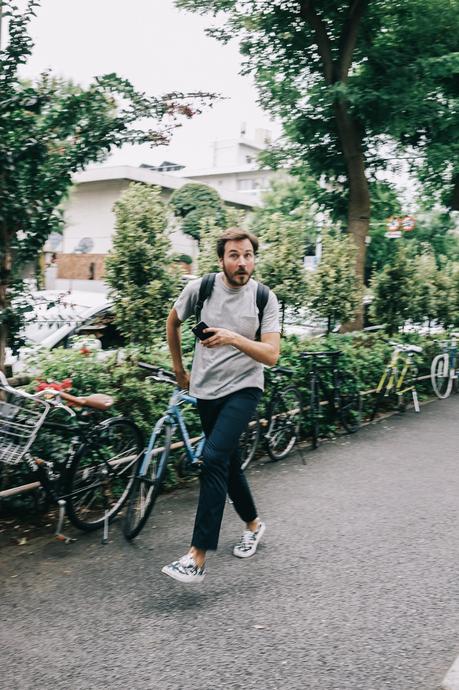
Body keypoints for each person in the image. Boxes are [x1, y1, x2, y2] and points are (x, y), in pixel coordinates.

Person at [162, 228, 281, 584]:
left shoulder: (263, 297)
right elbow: (173, 321)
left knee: (212, 458)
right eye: (234, 255)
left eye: (247, 255)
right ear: (221, 260)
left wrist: (233, 337)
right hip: (205, 391)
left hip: (244, 389)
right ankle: (254, 525)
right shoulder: (201, 288)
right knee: (226, 464)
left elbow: (272, 355)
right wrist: (179, 368)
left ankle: (196, 556)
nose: (242, 262)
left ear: (253, 257)